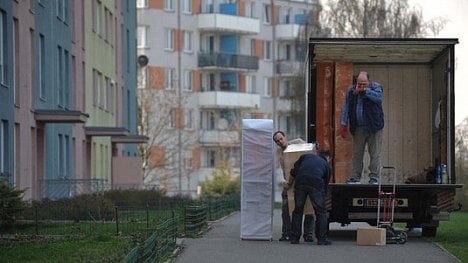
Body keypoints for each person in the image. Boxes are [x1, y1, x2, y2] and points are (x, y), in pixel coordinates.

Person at [340, 71, 384, 185]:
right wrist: (343, 123)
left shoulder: (376, 87)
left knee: (375, 153)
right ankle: (355, 177)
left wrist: (365, 91)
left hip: (374, 126)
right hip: (358, 127)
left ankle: (374, 178)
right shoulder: (351, 91)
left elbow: (379, 99)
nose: (361, 86)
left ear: (368, 82)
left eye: (364, 84)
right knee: (357, 153)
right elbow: (346, 107)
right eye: (359, 83)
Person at [273, 131, 315, 242]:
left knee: (308, 207)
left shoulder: (296, 143)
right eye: (277, 141)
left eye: (281, 139)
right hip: (288, 184)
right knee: (286, 209)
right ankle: (286, 233)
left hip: (303, 181)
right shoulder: (278, 153)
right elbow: (277, 170)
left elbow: (309, 149)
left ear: (285, 137)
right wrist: (283, 182)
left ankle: (308, 234)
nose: (280, 142)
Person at [287, 150, 332, 245]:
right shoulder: (327, 165)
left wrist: (289, 185)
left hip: (300, 182)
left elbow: (294, 171)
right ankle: (321, 239)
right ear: (328, 158)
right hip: (316, 184)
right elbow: (325, 185)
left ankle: (295, 238)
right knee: (321, 212)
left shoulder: (306, 156)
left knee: (298, 210)